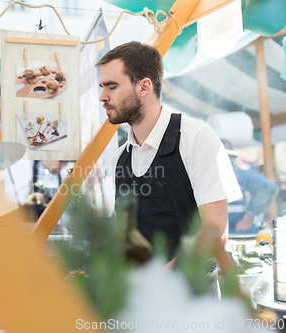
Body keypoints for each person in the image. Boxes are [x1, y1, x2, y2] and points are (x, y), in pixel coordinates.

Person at [96, 42, 242, 264]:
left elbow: (215, 234)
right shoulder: (120, 157)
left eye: (112, 86)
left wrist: (160, 281)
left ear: (144, 87)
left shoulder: (196, 137)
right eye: (102, 87)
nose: (102, 97)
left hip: (192, 295)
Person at [225, 150, 277, 234]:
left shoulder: (241, 175)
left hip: (237, 231)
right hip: (219, 233)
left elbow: (268, 187)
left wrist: (250, 214)